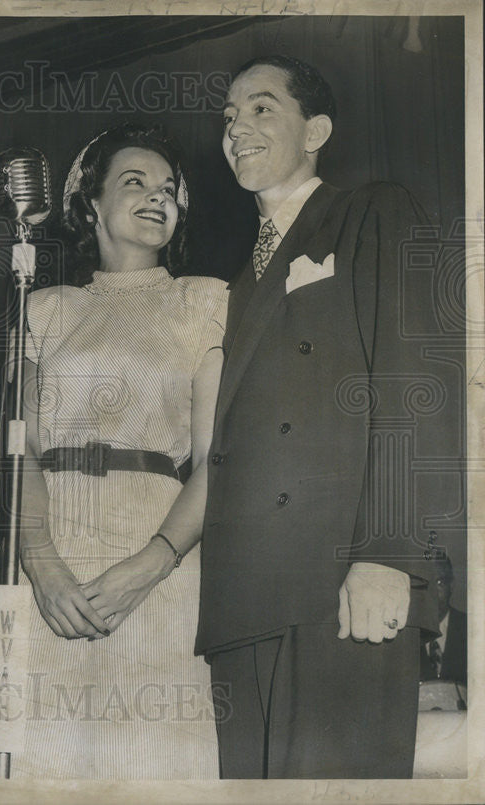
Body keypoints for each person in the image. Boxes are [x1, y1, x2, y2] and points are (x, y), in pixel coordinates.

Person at [198, 55, 461, 778]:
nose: (237, 129)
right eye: (227, 117)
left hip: (342, 584)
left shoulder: (373, 210)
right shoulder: (240, 276)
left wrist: (389, 554)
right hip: (243, 601)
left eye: (260, 108)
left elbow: (418, 386)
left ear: (316, 129)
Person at [14, 123, 227, 779]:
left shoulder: (204, 300)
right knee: (38, 761)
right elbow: (15, 449)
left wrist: (151, 565)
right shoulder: (42, 307)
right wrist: (41, 561)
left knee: (145, 765)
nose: (158, 196)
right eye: (135, 182)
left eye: (169, 188)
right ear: (89, 201)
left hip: (158, 556)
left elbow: (218, 462)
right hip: (46, 547)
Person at [420, 552, 467, 686]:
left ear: (451, 586)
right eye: (426, 584)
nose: (432, 593)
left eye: (439, 583)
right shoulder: (405, 635)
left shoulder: (472, 629)